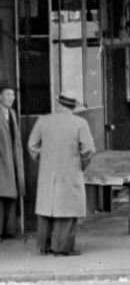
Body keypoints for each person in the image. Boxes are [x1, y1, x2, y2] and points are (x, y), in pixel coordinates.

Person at [27, 93, 95, 256]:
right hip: (70, 170)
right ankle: (62, 247)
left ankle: (45, 246)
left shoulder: (43, 121)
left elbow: (32, 145)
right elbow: (88, 150)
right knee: (67, 208)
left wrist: (44, 160)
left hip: (47, 171)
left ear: (58, 105)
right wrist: (81, 165)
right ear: (73, 107)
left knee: (48, 207)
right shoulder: (80, 123)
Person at [0, 84, 25, 240]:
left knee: (11, 194)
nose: (11, 98)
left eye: (13, 95)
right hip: (2, 159)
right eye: (8, 95)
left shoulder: (12, 113)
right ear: (0, 97)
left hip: (12, 159)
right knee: (1, 195)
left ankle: (9, 230)